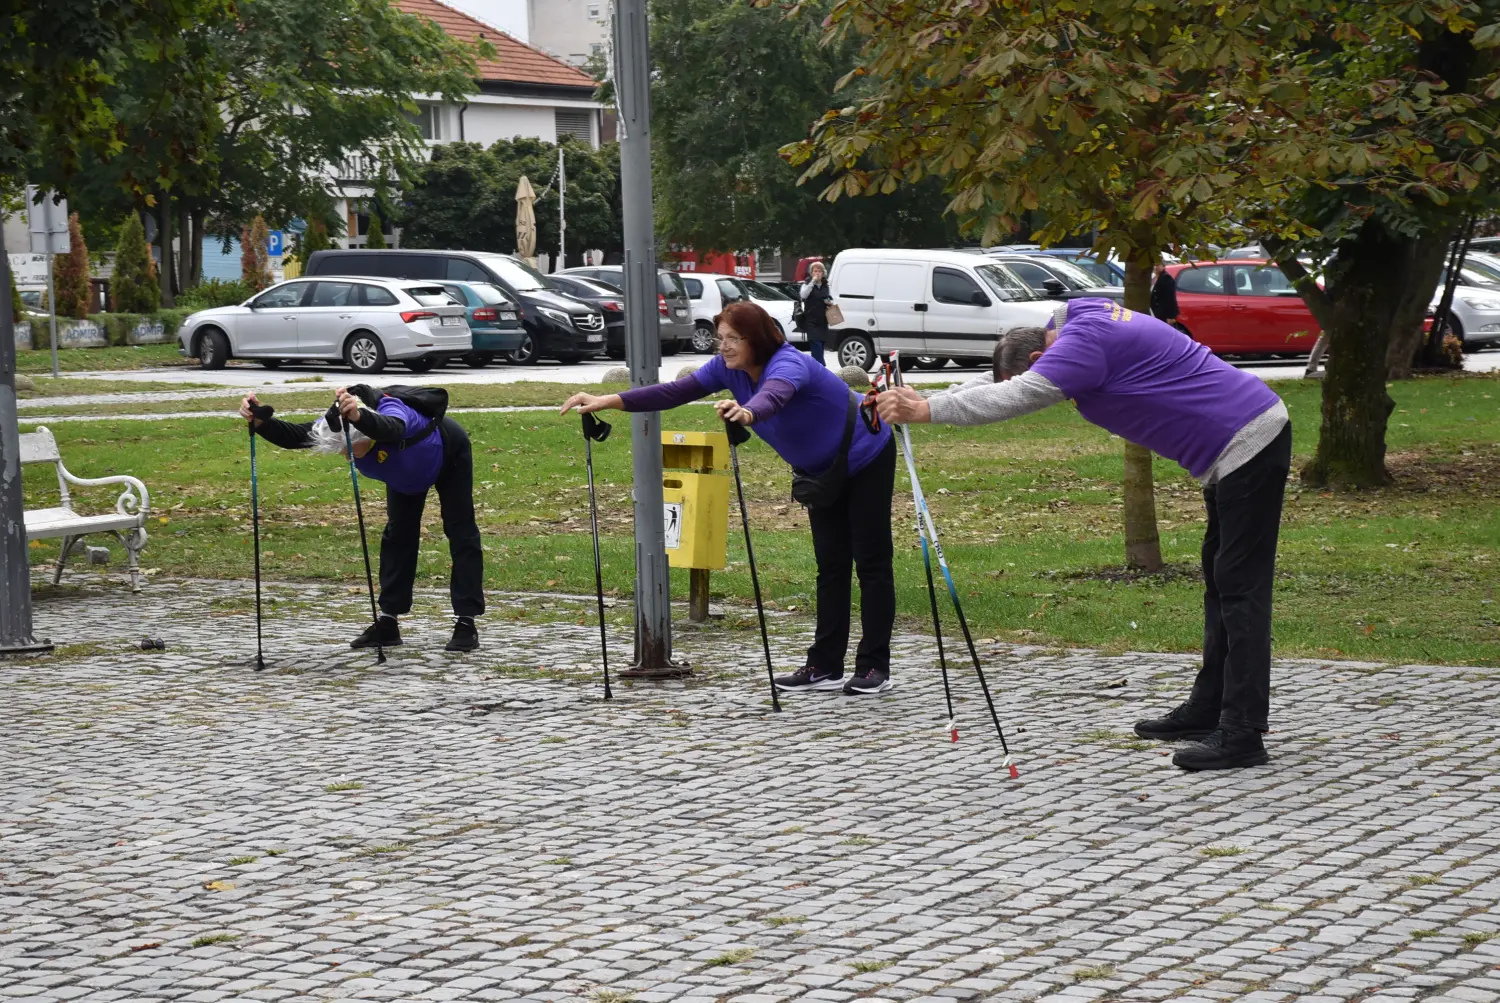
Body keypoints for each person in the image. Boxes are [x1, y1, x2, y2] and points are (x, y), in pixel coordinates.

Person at [877, 299, 1292, 771]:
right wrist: (923, 395)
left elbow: (1014, 395)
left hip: (1248, 441)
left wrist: (928, 409)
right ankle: (1209, 708)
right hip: (1234, 446)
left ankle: (1242, 733)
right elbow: (1001, 384)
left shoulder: (1080, 347)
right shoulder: (1080, 324)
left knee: (1241, 591)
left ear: (1039, 359)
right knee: (1221, 582)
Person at [561, 300, 897, 695]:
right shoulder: (726, 369)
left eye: (734, 338)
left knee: (871, 561)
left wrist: (748, 413)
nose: (724, 346)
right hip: (819, 473)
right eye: (720, 338)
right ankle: (824, 665)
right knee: (831, 564)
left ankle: (874, 666)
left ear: (757, 339)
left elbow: (774, 395)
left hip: (865, 454)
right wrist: (608, 401)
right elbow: (674, 392)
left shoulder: (789, 364)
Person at [238, 385, 484, 652]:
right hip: (405, 475)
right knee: (398, 536)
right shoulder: (339, 424)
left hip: (446, 452)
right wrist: (262, 423)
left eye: (350, 449)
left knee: (461, 531)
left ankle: (466, 622)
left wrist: (358, 418)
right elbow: (297, 436)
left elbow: (390, 428)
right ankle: (388, 622)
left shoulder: (392, 411)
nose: (347, 456)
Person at [799, 261, 833, 367]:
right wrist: (812, 282)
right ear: (811, 273)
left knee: (821, 346)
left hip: (823, 321)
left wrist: (829, 302)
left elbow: (829, 298)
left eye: (819, 271)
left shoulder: (825, 286)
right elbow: (803, 295)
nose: (817, 273)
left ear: (823, 273)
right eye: (815, 271)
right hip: (811, 321)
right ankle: (821, 368)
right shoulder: (807, 284)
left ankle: (818, 368)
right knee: (816, 346)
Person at [1150, 260, 1181, 328]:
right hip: (1154, 312)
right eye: (1154, 265)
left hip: (1164, 314)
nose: (1155, 267)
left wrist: (1170, 316)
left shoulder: (1166, 278)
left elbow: (1170, 298)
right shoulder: (1154, 278)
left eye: (1158, 265)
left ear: (1163, 266)